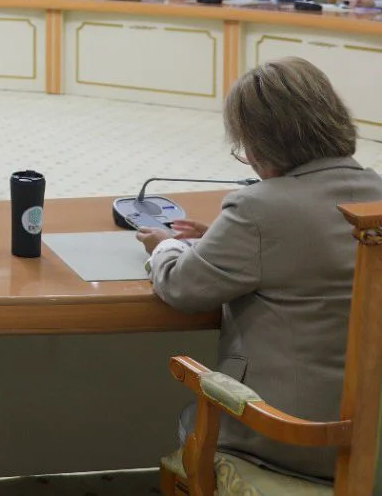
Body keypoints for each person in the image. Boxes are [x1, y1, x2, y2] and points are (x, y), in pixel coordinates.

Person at [139, 58, 382, 481]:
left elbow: (181, 287)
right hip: (375, 445)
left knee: (191, 418)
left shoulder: (258, 208)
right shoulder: (376, 193)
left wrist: (167, 246)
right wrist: (223, 239)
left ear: (260, 144)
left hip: (297, 438)